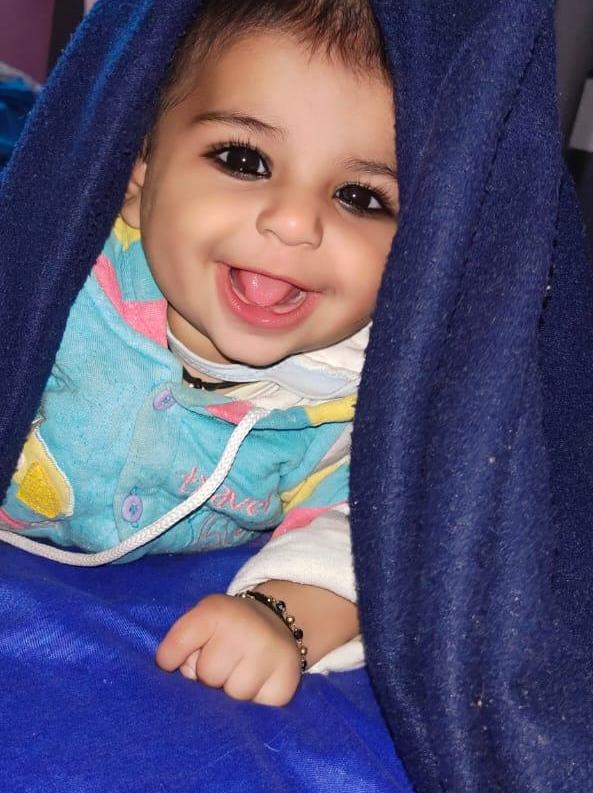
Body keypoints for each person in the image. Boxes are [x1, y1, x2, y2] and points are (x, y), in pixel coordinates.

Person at [0, 0, 398, 705]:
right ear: (139, 165)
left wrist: (281, 616)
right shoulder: (55, 282)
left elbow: (372, 534)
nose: (294, 222)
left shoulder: (349, 396)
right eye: (244, 160)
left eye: (359, 197)